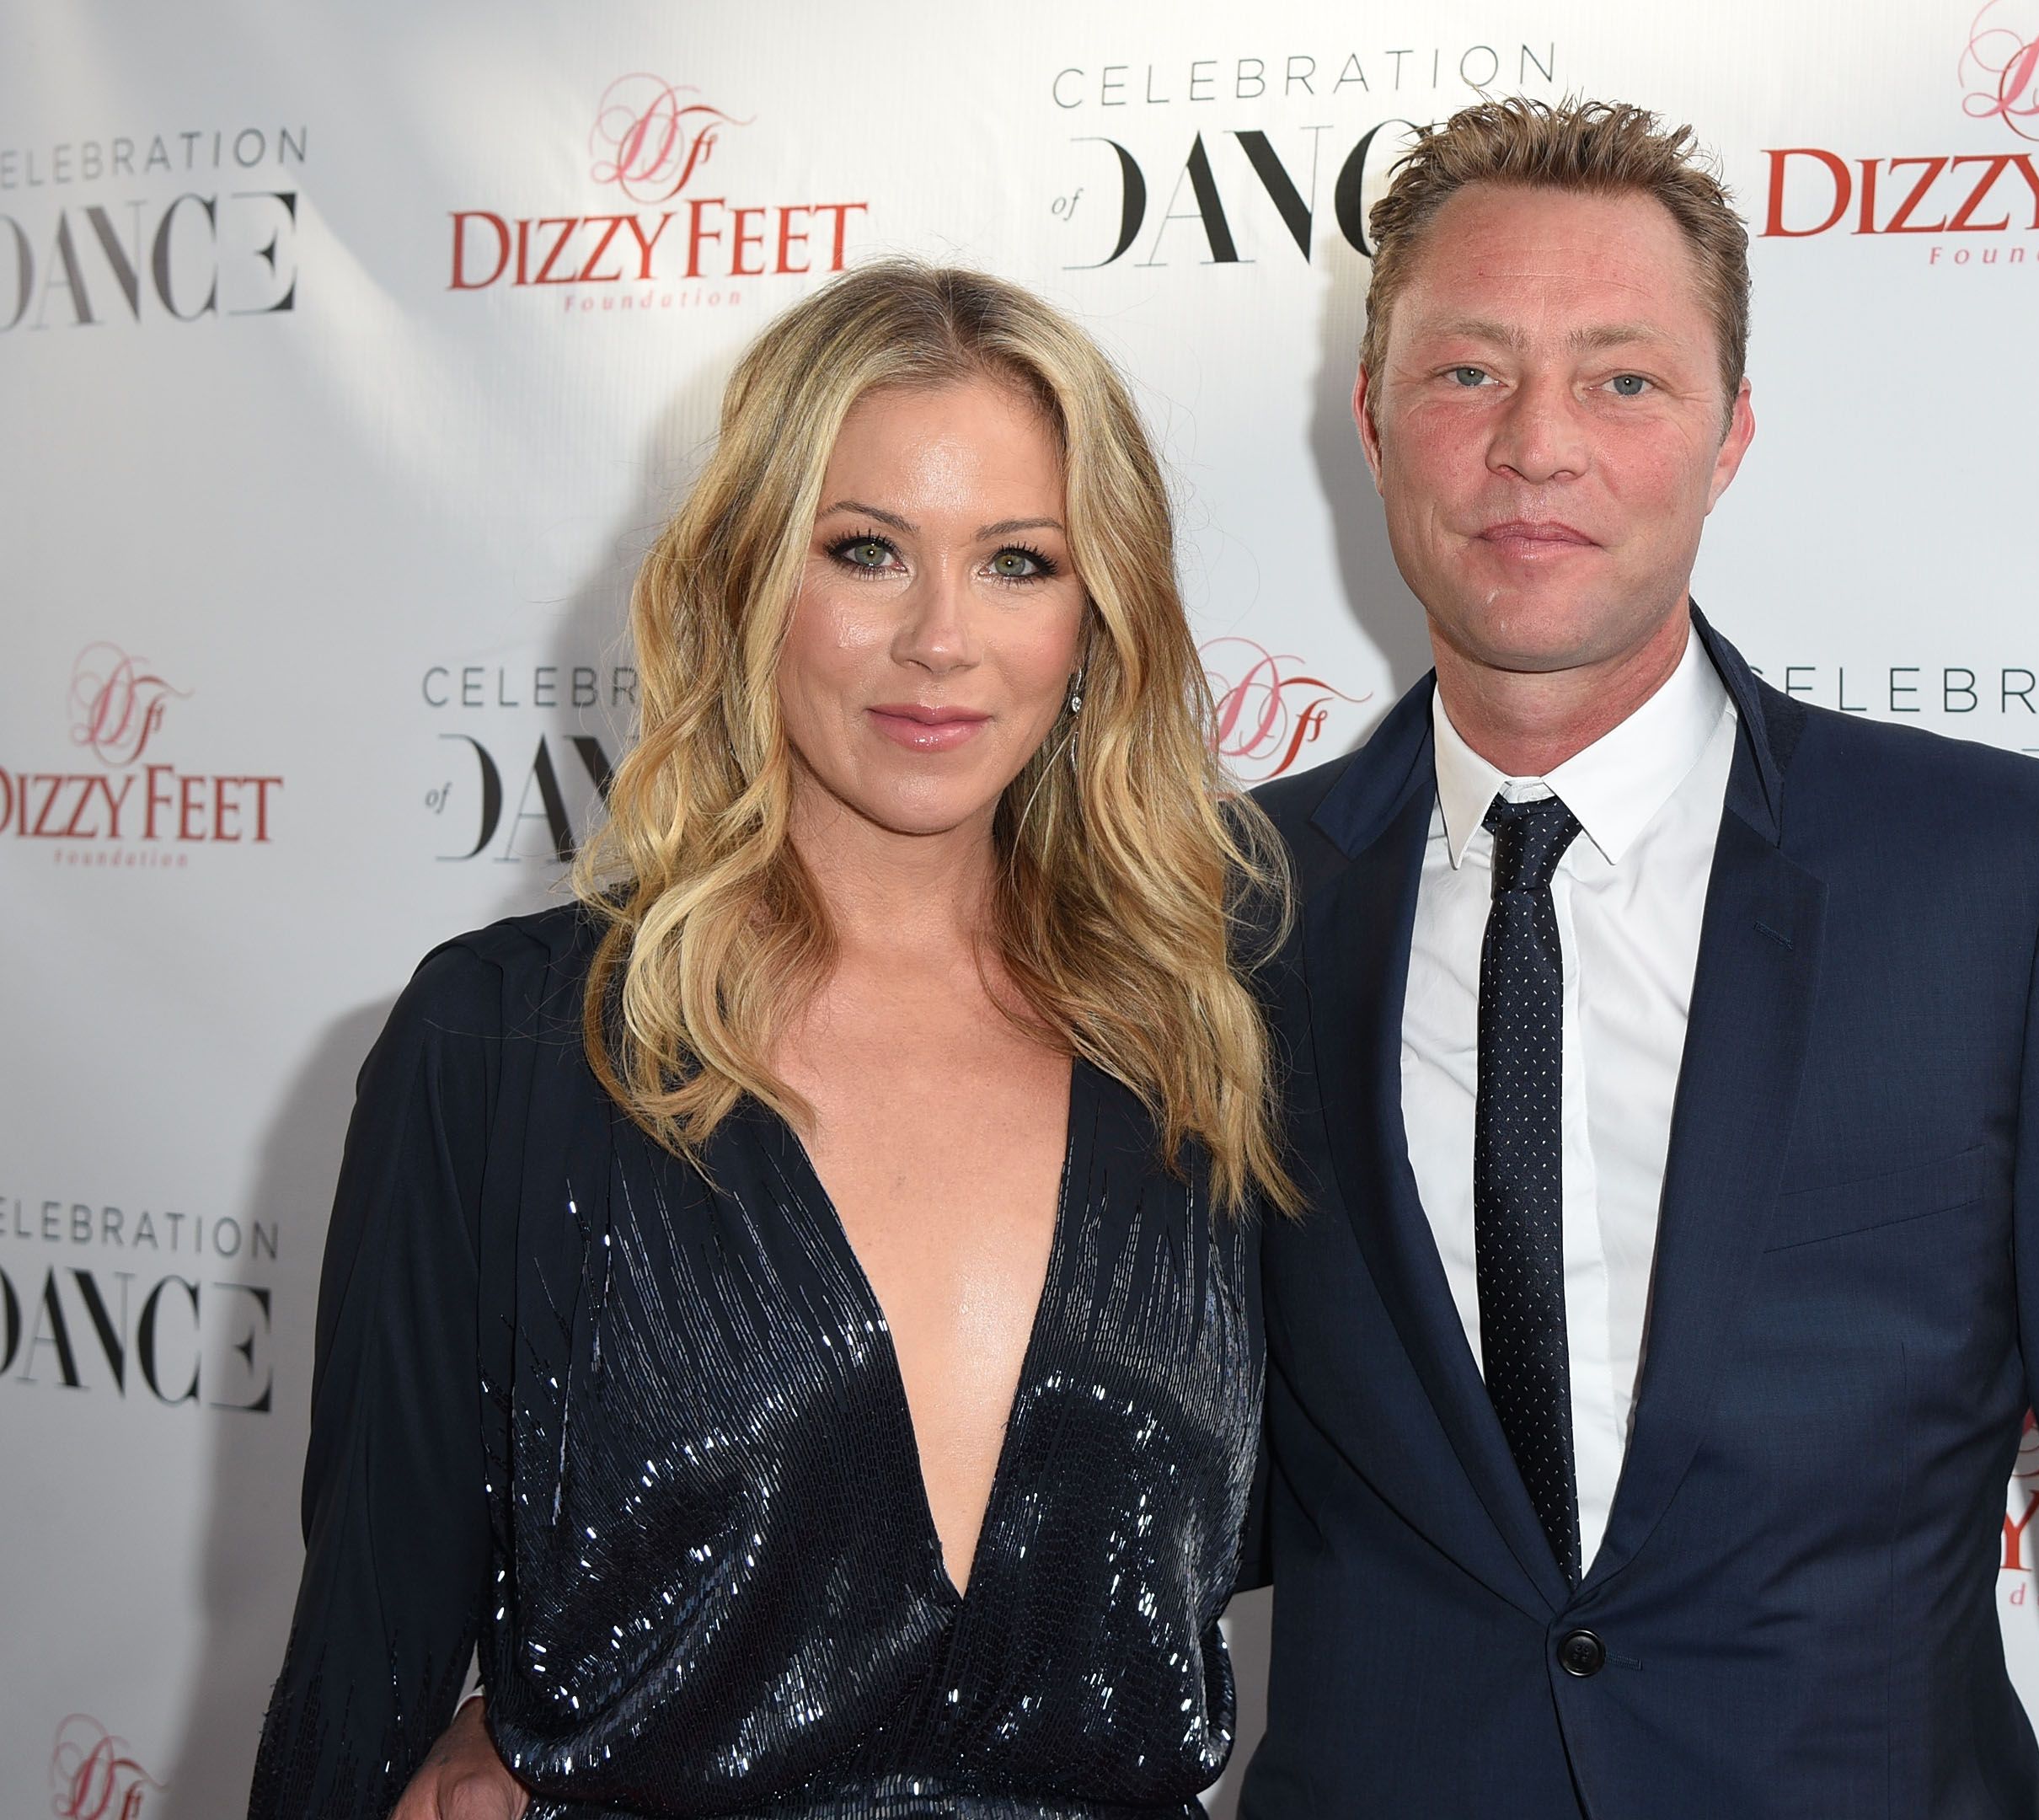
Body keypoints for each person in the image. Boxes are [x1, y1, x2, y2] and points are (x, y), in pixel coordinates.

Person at [1234, 98, 2039, 1816]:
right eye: (1467, 373)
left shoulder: (2008, 884)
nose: (1537, 446)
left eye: (1624, 378)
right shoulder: (1220, 910)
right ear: (1371, 420)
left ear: (1730, 433)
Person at [247, 260, 1292, 1820]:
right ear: (748, 581)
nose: (941, 640)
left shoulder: (1208, 1045)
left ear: (1097, 619)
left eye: (1019, 562)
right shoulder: (507, 1049)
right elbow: (363, 1675)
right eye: (866, 552)